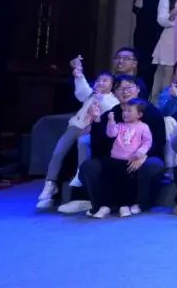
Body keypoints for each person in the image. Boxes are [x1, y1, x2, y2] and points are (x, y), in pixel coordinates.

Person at [61, 75, 166, 216]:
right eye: (120, 88)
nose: (125, 91)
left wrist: (143, 155)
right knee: (89, 166)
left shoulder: (152, 113)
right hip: (116, 158)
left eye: (129, 87)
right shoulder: (110, 114)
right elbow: (99, 147)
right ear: (114, 93)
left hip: (143, 156)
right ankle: (101, 204)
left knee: (153, 165)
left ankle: (141, 203)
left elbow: (158, 142)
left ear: (138, 89)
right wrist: (97, 121)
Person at [37, 58, 120, 210]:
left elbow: (109, 112)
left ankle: (80, 175)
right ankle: (50, 183)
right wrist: (79, 73)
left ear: (112, 85)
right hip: (75, 126)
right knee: (58, 152)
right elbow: (82, 91)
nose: (100, 83)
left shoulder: (113, 100)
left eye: (105, 81)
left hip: (90, 129)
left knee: (83, 146)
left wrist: (101, 100)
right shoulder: (91, 94)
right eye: (99, 80)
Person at [89, 99, 154, 218]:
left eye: (129, 111)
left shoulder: (144, 127)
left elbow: (147, 142)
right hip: (114, 158)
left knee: (127, 183)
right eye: (124, 110)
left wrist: (140, 152)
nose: (125, 113)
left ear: (139, 114)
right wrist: (111, 121)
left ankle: (125, 205)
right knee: (108, 181)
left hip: (129, 160)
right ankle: (105, 205)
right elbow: (111, 133)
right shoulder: (120, 125)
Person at [132, 0, 163, 91]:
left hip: (158, 39)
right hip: (144, 40)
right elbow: (136, 9)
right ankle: (141, 95)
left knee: (155, 71)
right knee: (144, 70)